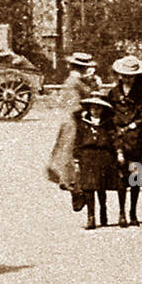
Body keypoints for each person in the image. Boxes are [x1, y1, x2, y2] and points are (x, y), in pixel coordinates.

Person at [107, 55, 142, 226]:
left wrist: (133, 125)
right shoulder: (113, 93)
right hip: (119, 140)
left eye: (131, 76)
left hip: (136, 139)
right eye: (124, 75)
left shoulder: (141, 92)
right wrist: (117, 129)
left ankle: (133, 212)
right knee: (120, 178)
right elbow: (109, 114)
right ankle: (122, 212)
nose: (127, 79)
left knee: (135, 178)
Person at [47, 51, 97, 195]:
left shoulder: (73, 81)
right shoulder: (75, 82)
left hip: (68, 118)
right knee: (70, 148)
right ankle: (68, 180)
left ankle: (67, 179)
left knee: (66, 147)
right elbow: (76, 105)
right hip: (74, 119)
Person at [73, 96, 122, 229]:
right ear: (89, 109)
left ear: (102, 110)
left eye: (98, 108)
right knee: (89, 188)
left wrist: (119, 152)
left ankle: (103, 210)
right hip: (87, 157)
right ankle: (91, 216)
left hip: (103, 157)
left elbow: (114, 139)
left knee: (101, 187)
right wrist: (76, 160)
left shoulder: (107, 123)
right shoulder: (83, 123)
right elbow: (77, 142)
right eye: (93, 108)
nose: (95, 111)